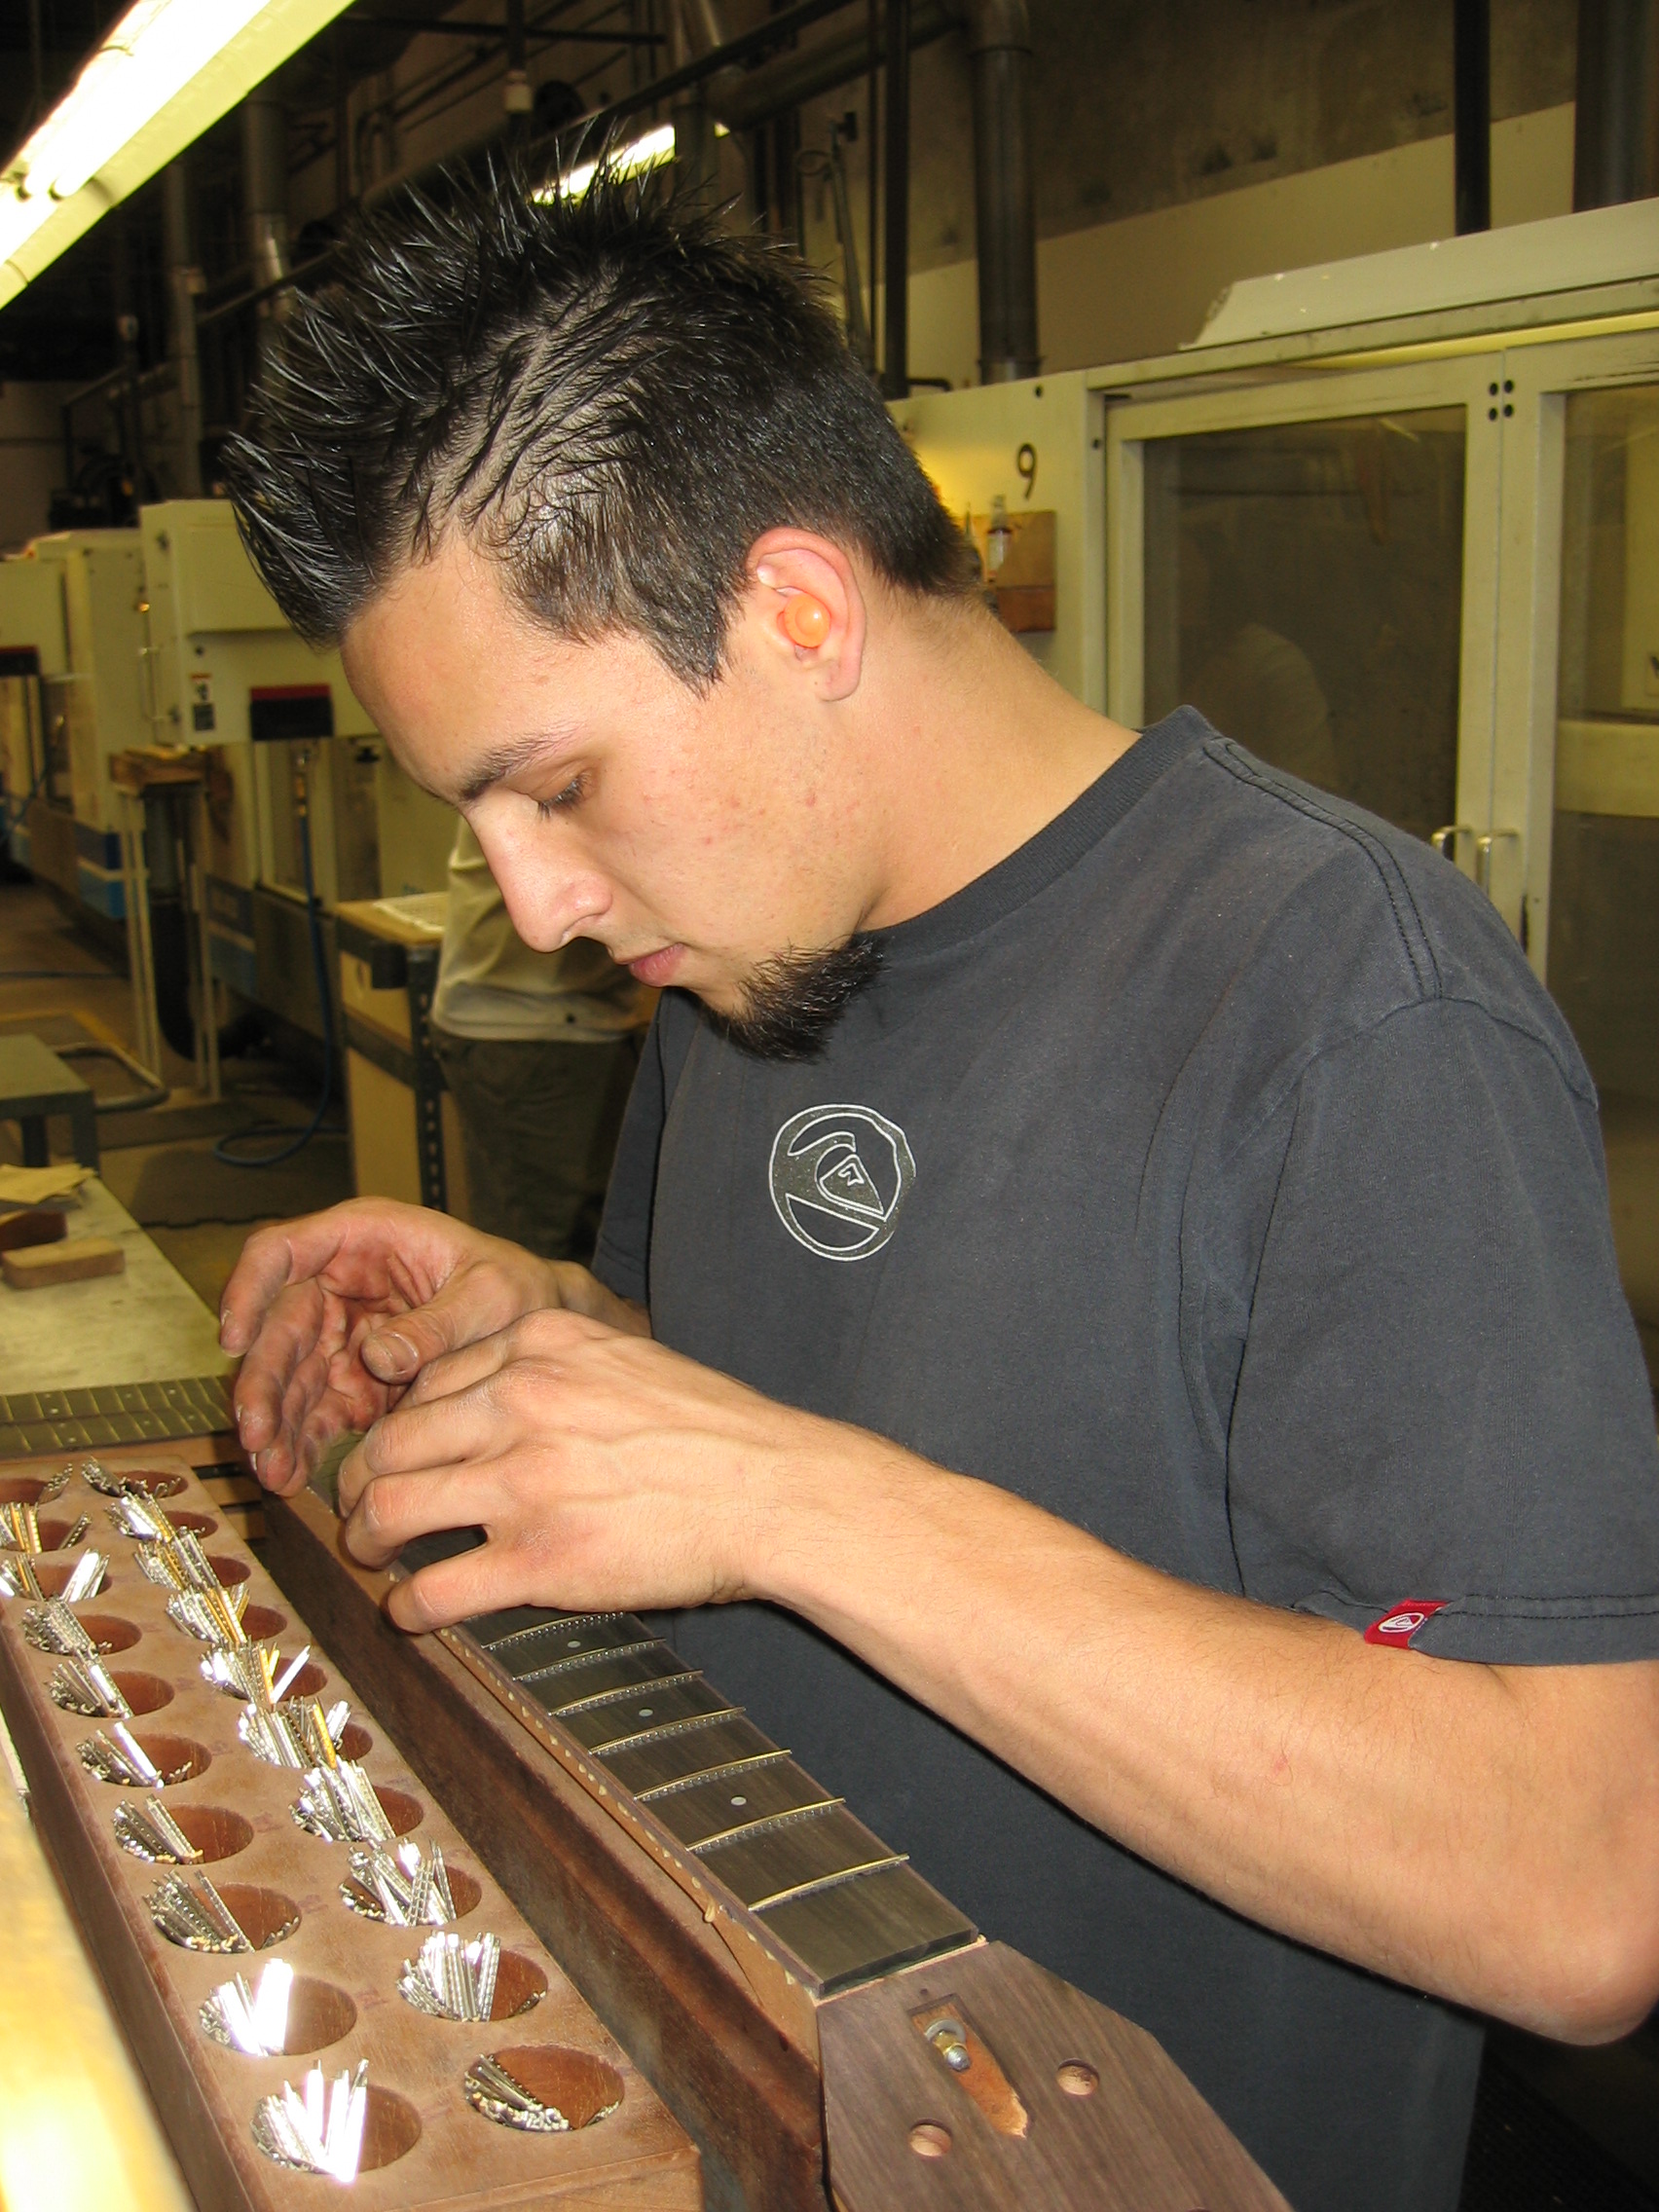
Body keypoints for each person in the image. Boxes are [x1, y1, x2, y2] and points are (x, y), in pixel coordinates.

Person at [215, 172, 1659, 2212]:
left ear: (799, 614)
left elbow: (1578, 1888)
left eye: (557, 786)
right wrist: (546, 1327)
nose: (534, 902)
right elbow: (780, 1374)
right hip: (744, 2069)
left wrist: (789, 1497)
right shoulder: (743, 956)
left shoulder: (1344, 998)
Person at [432, 817, 649, 1261]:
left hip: (542, 1021)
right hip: (536, 1028)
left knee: (543, 1237)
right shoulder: (552, 787)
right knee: (549, 1254)